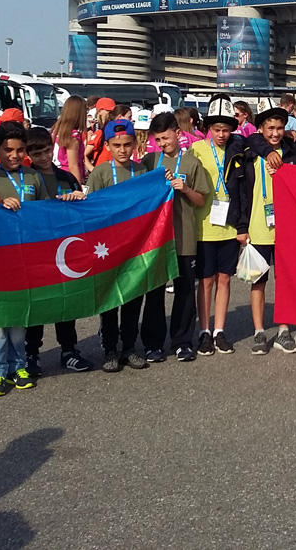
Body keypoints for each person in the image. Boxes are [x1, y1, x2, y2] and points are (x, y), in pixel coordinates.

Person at [0, 121, 48, 397]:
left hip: (25, 258)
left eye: (20, 150)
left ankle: (20, 365)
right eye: (8, 150)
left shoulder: (32, 176)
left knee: (18, 318)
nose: (15, 156)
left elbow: (47, 211)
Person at [84, 119, 155, 372]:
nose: (123, 150)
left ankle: (129, 347)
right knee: (110, 300)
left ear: (135, 144)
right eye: (117, 145)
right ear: (108, 146)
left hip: (135, 246)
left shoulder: (142, 172)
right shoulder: (100, 173)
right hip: (107, 248)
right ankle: (109, 349)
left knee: (133, 298)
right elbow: (91, 210)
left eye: (127, 144)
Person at [21, 126, 93, 374]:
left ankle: (69, 350)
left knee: (66, 301)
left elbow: (83, 209)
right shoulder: (25, 178)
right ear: (28, 154)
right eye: (36, 153)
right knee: (37, 303)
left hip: (64, 249)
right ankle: (31, 353)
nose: (42, 157)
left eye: (45, 151)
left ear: (53, 149)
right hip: (37, 249)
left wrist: (78, 197)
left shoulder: (66, 178)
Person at [237, 98, 296, 354]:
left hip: (287, 225)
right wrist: (242, 227)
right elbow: (242, 192)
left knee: (284, 279)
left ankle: (284, 329)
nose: (275, 133)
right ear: (261, 129)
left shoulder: (293, 151)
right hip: (258, 225)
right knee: (259, 280)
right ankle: (258, 331)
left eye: (279, 128)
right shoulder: (250, 151)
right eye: (270, 128)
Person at [144, 111, 212, 363]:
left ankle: (182, 341)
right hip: (157, 239)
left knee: (185, 291)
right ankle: (153, 343)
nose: (162, 144)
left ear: (178, 134)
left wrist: (185, 189)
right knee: (154, 292)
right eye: (158, 140)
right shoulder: (150, 162)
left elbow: (201, 199)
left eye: (166, 138)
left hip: (184, 235)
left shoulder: (191, 163)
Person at [192, 95, 247, 357]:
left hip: (229, 224)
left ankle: (219, 330)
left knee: (225, 278)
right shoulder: (195, 151)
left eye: (226, 129)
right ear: (208, 129)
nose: (222, 134)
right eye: (217, 129)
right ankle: (204, 330)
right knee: (206, 280)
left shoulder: (237, 149)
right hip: (204, 224)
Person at [51, 96, 88, 184]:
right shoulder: (73, 136)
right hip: (69, 178)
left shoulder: (55, 131)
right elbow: (73, 165)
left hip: (56, 174)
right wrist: (79, 187)